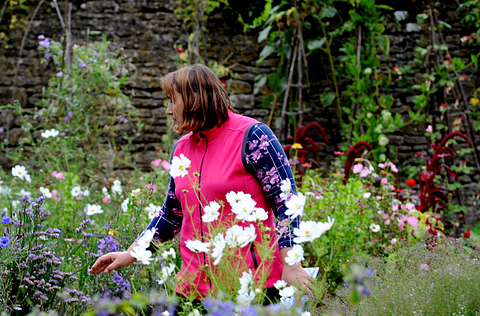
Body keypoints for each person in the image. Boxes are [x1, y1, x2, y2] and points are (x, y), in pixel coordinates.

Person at [89, 64, 313, 303]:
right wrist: (131, 253)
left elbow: (287, 203)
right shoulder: (182, 148)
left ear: (194, 99)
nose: (168, 110)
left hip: (252, 289)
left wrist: (292, 265)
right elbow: (170, 216)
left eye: (172, 101)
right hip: (191, 292)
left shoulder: (254, 136)